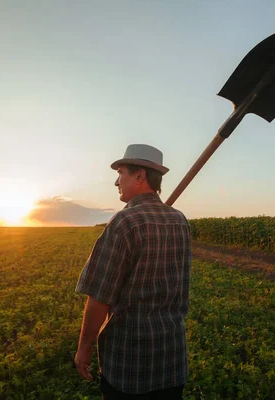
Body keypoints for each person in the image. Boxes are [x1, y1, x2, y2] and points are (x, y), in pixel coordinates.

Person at [74, 144, 192, 399]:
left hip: (129, 365)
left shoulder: (124, 222)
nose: (117, 181)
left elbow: (99, 297)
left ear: (140, 176)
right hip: (172, 360)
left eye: (122, 173)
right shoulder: (180, 220)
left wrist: (84, 347)